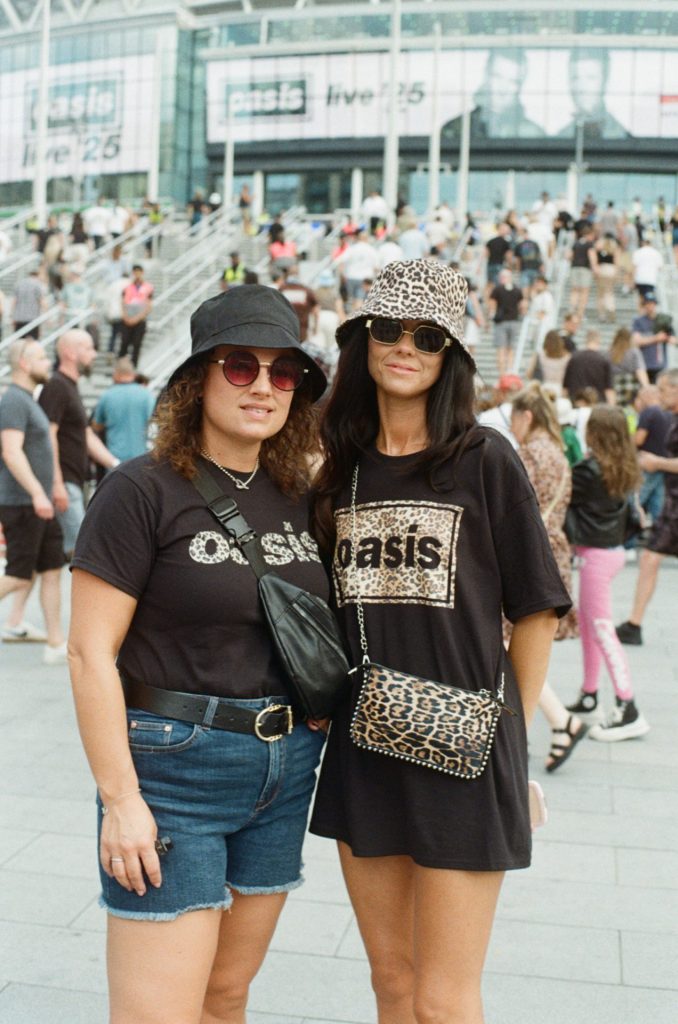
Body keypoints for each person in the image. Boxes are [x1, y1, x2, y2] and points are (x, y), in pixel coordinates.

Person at [309, 259, 570, 1023]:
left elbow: (536, 609)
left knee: (443, 999)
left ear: (451, 353)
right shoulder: (339, 474)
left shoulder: (484, 460)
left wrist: (508, 734)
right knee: (392, 986)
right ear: (361, 341)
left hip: (465, 752)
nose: (404, 348)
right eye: (386, 330)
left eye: (427, 336)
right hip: (366, 747)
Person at [67, 286, 329, 1024]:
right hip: (173, 768)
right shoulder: (140, 490)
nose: (264, 387)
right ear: (197, 379)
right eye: (241, 366)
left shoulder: (301, 493)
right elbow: (90, 652)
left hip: (284, 773)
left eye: (284, 375)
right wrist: (121, 801)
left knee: (224, 997)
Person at [509, 384, 583, 771]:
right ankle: (560, 723)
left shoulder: (529, 455)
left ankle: (559, 722)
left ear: (527, 416)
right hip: (557, 548)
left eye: (514, 421)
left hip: (533, 553)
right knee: (528, 642)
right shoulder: (559, 452)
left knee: (514, 641)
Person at [565, 406, 650, 741]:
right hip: (612, 551)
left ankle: (628, 707)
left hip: (594, 556)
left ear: (595, 432)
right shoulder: (623, 466)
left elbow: (566, 494)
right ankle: (589, 695)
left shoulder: (589, 470)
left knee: (600, 629)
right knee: (589, 625)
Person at [0, 339, 67, 661]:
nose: (48, 364)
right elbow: (11, 452)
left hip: (41, 503)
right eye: (42, 358)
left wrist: (52, 487)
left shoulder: (29, 400)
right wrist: (38, 493)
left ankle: (56, 643)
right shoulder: (13, 400)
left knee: (52, 570)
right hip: (23, 503)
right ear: (24, 363)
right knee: (17, 575)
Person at [38, 329, 119, 558]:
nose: (94, 354)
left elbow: (86, 436)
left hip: (72, 483)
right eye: (88, 348)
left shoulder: (70, 387)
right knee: (86, 555)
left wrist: (116, 463)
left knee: (49, 567)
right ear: (70, 353)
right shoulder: (56, 386)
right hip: (64, 485)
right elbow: (48, 435)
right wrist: (56, 483)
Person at [616, 369, 678, 646]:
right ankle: (634, 623)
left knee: (650, 558)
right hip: (672, 501)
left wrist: (658, 463)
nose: (659, 395)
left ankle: (634, 623)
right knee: (650, 558)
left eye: (664, 390)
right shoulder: (670, 417)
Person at [91, 358, 157, 463]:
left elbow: (97, 426)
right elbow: (154, 422)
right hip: (140, 457)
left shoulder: (107, 396)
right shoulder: (147, 395)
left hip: (114, 459)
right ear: (133, 374)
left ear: (116, 374)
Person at [631, 384, 672, 525]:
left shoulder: (648, 412)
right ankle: (658, 534)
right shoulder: (669, 413)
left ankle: (630, 540)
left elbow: (639, 439)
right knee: (658, 502)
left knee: (635, 501)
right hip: (665, 462)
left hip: (647, 463)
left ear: (646, 396)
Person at [631, 292, 676, 384]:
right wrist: (656, 338)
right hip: (644, 364)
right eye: (647, 303)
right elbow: (636, 341)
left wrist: (666, 337)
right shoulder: (639, 321)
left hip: (660, 364)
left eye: (651, 303)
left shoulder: (663, 319)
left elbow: (674, 340)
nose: (649, 306)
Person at [562, 329, 615, 405]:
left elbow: (565, 387)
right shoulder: (604, 361)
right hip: (596, 405)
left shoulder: (574, 358)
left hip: (576, 404)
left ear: (586, 340)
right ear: (598, 341)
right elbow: (609, 390)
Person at [489, 268, 525, 376]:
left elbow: (492, 304)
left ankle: (502, 374)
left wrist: (491, 315)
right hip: (514, 321)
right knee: (510, 349)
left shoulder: (497, 289)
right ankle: (510, 372)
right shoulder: (517, 290)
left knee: (501, 349)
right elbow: (522, 305)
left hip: (501, 322)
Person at [119, 265, 154, 367]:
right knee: (124, 343)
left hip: (140, 320)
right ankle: (121, 366)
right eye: (135, 272)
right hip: (127, 319)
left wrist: (137, 318)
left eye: (139, 272)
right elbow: (123, 303)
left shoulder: (148, 287)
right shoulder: (127, 287)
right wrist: (126, 317)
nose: (137, 275)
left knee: (136, 344)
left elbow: (149, 305)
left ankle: (133, 367)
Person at [608, 327, 649, 407]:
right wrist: (646, 387)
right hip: (630, 388)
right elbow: (640, 370)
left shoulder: (609, 352)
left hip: (614, 386)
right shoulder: (634, 352)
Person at [568, 224, 598, 320]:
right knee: (584, 292)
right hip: (585, 268)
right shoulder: (589, 244)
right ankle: (580, 313)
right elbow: (591, 256)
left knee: (574, 291)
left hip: (574, 267)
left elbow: (569, 255)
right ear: (589, 234)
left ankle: (571, 311)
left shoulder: (576, 243)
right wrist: (595, 268)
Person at [527, 328, 570, 394]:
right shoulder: (567, 357)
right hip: (558, 389)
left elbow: (529, 374)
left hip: (542, 389)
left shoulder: (539, 355)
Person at [12, 268, 47, 336]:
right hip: (32, 320)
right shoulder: (38, 285)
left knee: (20, 342)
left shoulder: (19, 284)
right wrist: (47, 316)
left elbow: (14, 302)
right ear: (38, 275)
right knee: (31, 343)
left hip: (19, 318)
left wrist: (12, 316)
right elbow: (42, 301)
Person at [593, 233, 618, 322]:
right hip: (611, 270)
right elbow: (616, 262)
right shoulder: (613, 250)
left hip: (602, 269)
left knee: (600, 294)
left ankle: (602, 314)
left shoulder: (599, 250)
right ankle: (611, 307)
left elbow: (595, 261)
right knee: (609, 292)